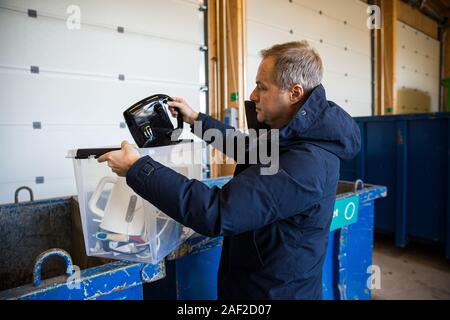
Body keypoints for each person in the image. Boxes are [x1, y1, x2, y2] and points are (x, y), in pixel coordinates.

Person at [98, 41, 361, 300]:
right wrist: (196, 120)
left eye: (262, 87)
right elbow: (249, 149)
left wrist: (138, 168)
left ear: (294, 93)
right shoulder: (295, 136)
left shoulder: (305, 164)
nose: (253, 95)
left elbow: (217, 211)